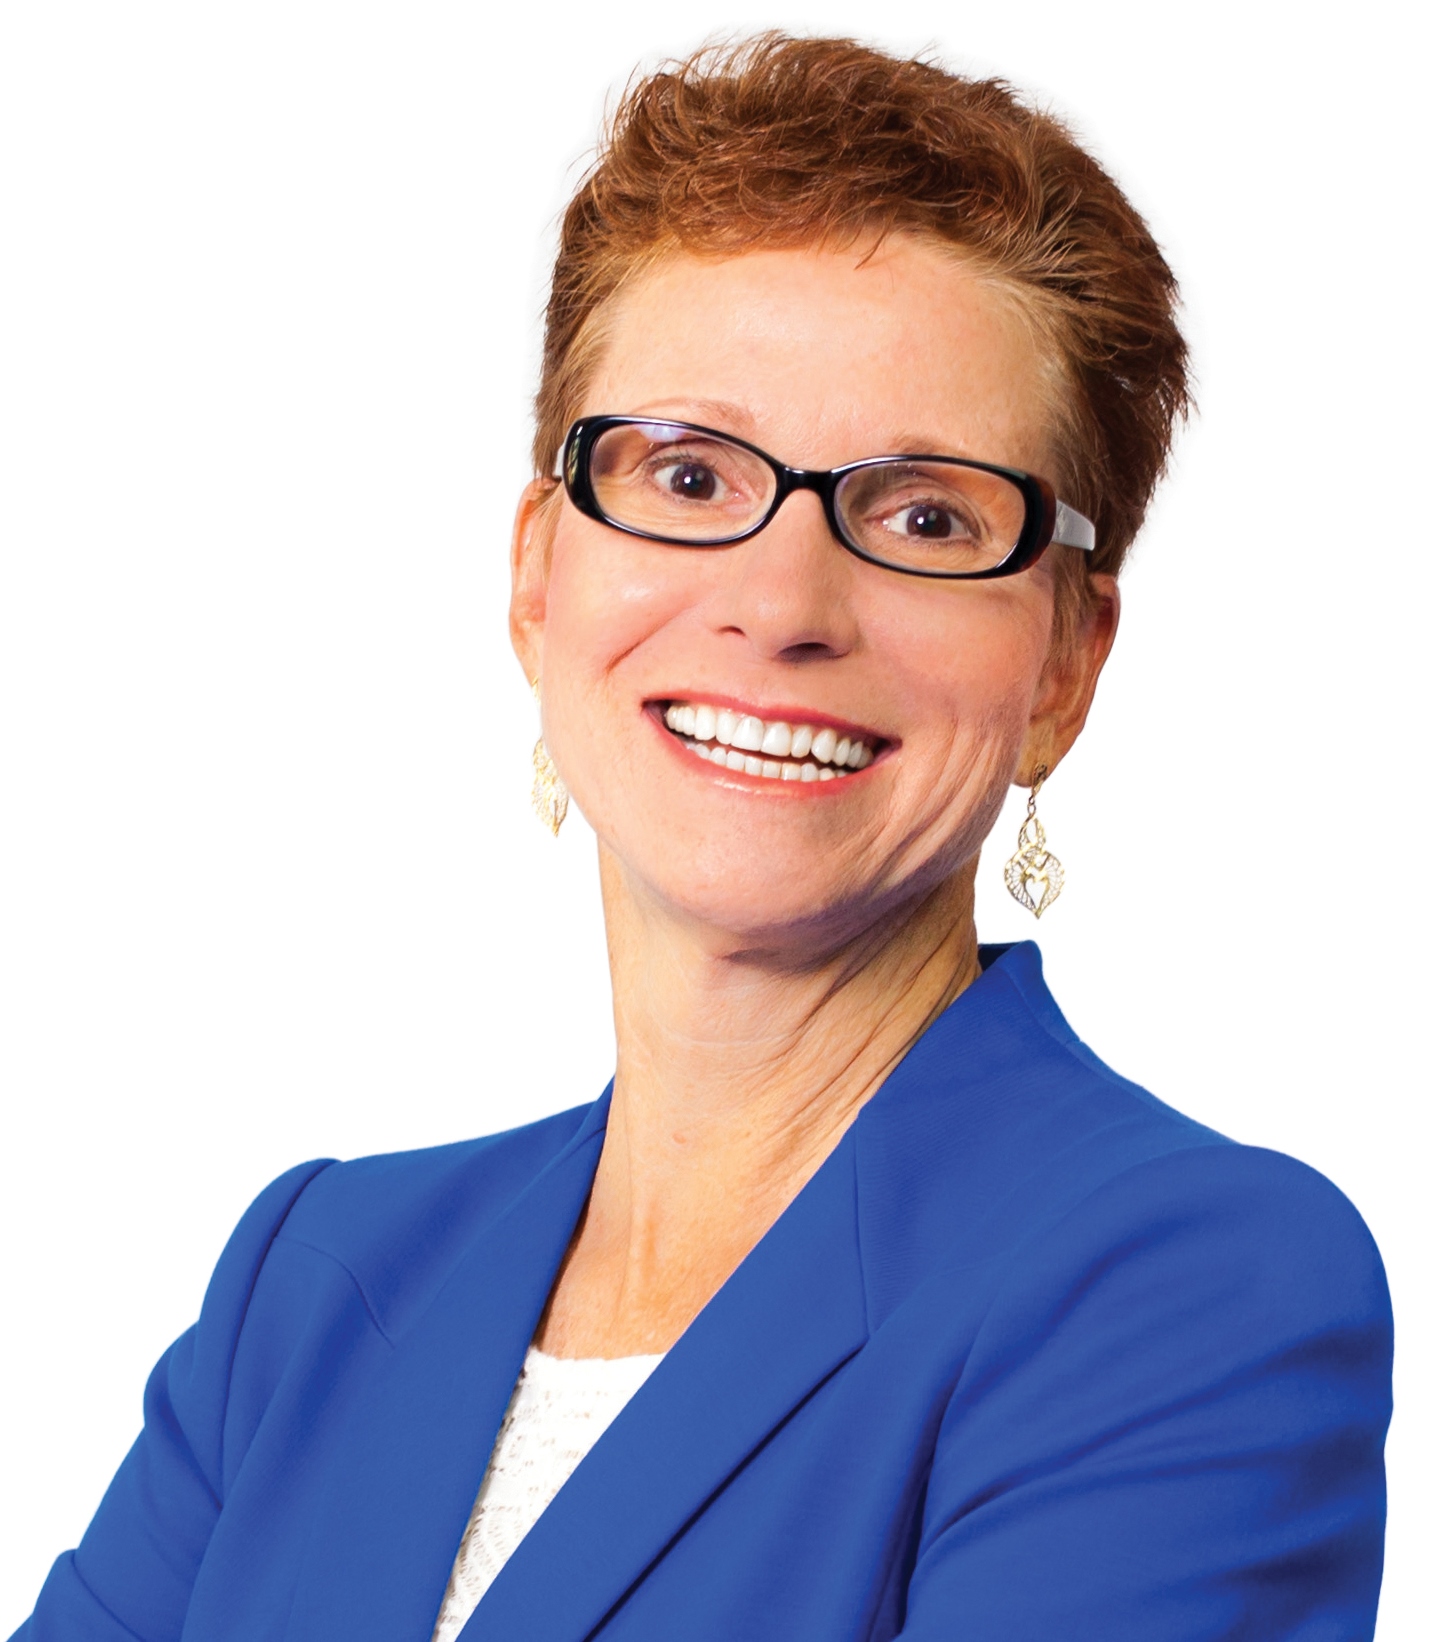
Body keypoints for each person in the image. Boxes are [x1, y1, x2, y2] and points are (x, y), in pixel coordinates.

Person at [12, 33, 1391, 1642]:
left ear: (1063, 667)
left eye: (924, 515)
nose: (779, 601)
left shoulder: (1188, 1289)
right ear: (538, 577)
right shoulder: (312, 1283)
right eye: (685, 474)